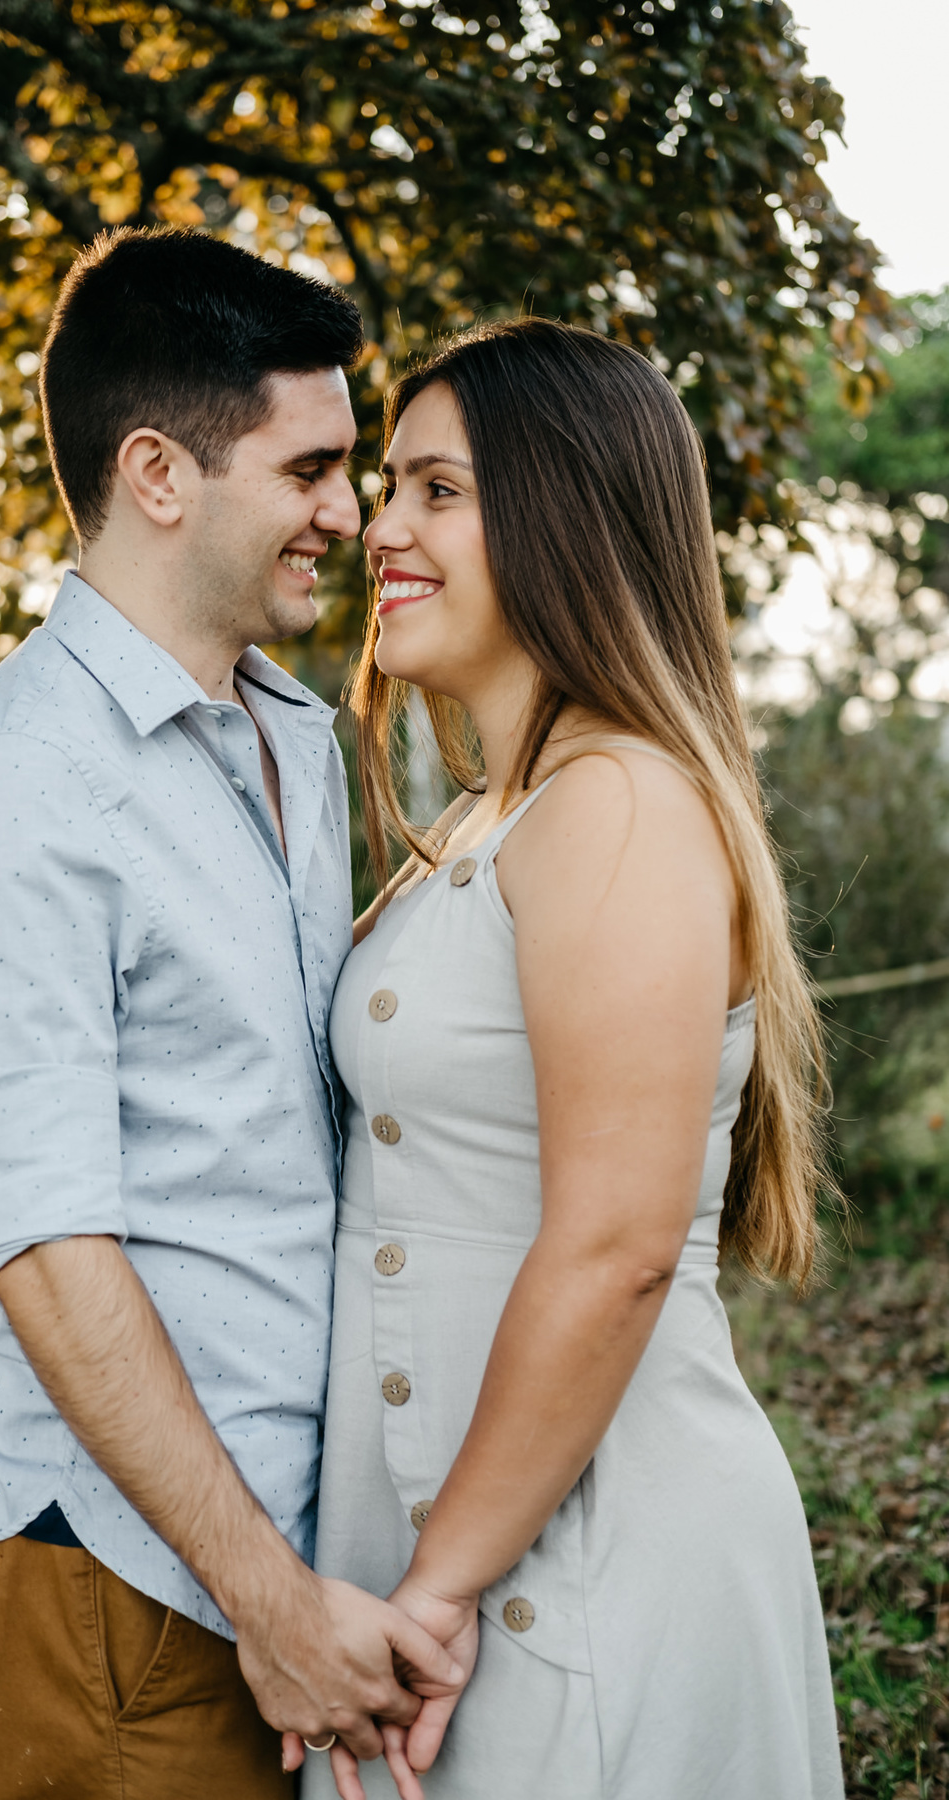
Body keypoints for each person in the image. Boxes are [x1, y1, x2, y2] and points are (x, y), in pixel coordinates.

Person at [0, 225, 463, 1800]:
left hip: (275, 1550)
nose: (354, 512)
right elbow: (49, 1250)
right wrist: (268, 1602)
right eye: (312, 468)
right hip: (110, 1573)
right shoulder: (17, 782)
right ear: (157, 474)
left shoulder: (292, 738)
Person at [298, 318, 844, 1800]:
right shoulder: (491, 817)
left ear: (567, 520)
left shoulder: (619, 803)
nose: (379, 529)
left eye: (438, 491)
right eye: (389, 489)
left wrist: (441, 1587)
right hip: (456, 1547)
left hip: (581, 1564)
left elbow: (614, 1249)